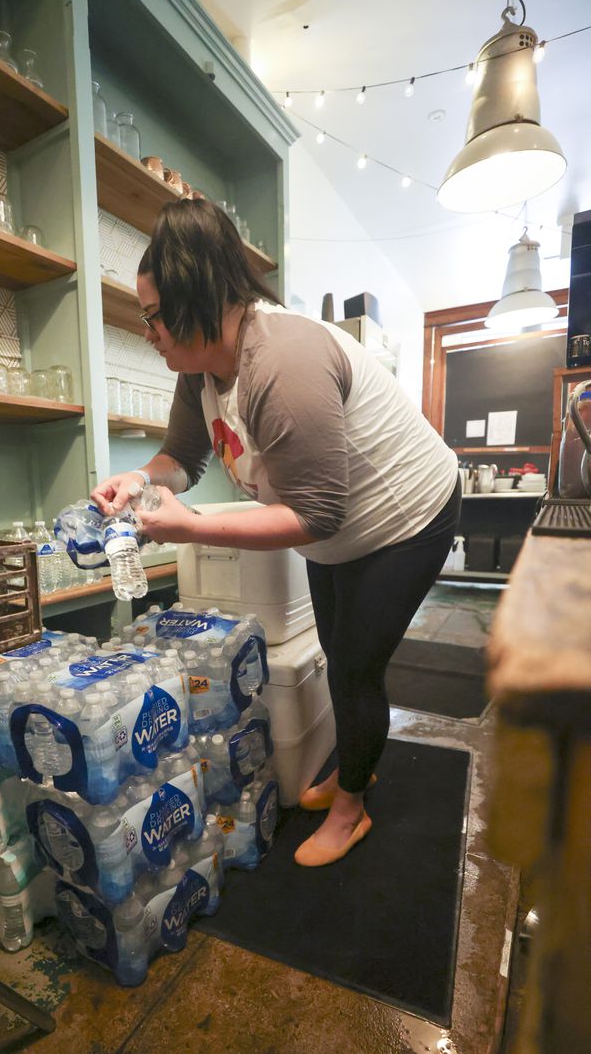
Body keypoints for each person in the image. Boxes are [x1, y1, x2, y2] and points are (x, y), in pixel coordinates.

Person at [91, 199, 460, 867]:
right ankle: (357, 766)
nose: (147, 330)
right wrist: (139, 482)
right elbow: (184, 458)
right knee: (341, 654)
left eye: (151, 314)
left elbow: (316, 512)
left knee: (353, 664)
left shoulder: (282, 362)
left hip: (410, 515)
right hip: (339, 527)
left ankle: (351, 808)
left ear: (196, 296)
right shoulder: (201, 367)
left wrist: (193, 527)